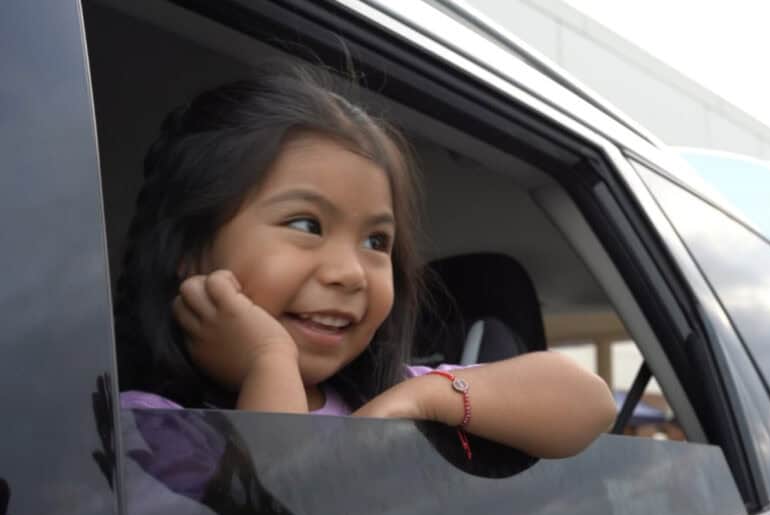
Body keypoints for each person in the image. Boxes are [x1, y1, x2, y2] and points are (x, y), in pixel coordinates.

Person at [115, 63, 617, 461]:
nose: (353, 272)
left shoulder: (381, 395)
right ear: (188, 251)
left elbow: (589, 400)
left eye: (377, 242)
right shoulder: (147, 426)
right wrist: (269, 363)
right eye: (306, 225)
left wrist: (426, 400)